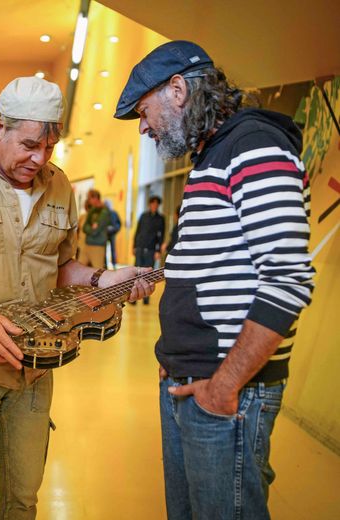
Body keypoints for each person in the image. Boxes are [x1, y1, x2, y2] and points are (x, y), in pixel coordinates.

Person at [0, 76, 154, 519]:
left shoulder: (58, 186)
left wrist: (104, 278)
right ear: (0, 126)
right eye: (28, 145)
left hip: (35, 372)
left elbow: (59, 266)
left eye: (48, 148)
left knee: (22, 501)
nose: (38, 159)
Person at [115, 40, 315, 519]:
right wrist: (150, 279)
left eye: (144, 112)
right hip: (190, 381)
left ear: (178, 90)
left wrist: (223, 386)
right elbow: (221, 259)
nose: (143, 129)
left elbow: (287, 277)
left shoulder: (253, 145)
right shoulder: (212, 156)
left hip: (227, 392)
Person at [132, 195, 165, 304]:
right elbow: (138, 232)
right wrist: (134, 246)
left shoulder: (160, 219)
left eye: (157, 204)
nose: (154, 206)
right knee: (136, 274)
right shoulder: (143, 216)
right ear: (150, 204)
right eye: (153, 203)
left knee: (148, 275)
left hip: (151, 250)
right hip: (140, 248)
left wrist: (158, 251)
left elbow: (161, 236)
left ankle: (146, 298)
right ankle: (134, 298)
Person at [81, 189, 110, 268]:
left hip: (98, 246)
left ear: (96, 198)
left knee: (97, 271)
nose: (88, 201)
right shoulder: (92, 210)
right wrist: (91, 228)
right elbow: (84, 227)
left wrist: (89, 229)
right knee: (80, 268)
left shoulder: (104, 211)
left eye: (89, 198)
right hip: (87, 244)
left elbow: (96, 231)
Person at [105, 199, 122, 267]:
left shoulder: (114, 213)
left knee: (113, 249)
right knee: (104, 250)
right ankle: (104, 264)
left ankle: (114, 264)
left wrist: (114, 229)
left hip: (112, 234)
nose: (107, 206)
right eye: (106, 205)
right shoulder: (103, 214)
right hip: (104, 234)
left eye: (108, 205)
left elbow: (119, 224)